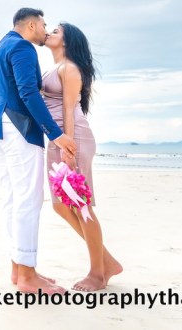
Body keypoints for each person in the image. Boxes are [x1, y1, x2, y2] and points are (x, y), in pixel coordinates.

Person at [0, 8, 77, 294]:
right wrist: (56, 134)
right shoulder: (23, 47)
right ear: (32, 25)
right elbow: (28, 92)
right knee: (29, 199)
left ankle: (19, 268)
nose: (46, 31)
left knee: (12, 198)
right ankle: (27, 276)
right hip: (18, 127)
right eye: (44, 25)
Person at [43, 22, 122, 291]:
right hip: (59, 139)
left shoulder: (70, 68)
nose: (50, 32)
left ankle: (98, 273)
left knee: (81, 205)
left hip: (73, 138)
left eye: (56, 31)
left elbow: (68, 109)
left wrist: (68, 149)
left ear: (67, 41)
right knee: (60, 205)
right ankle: (107, 261)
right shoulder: (54, 68)